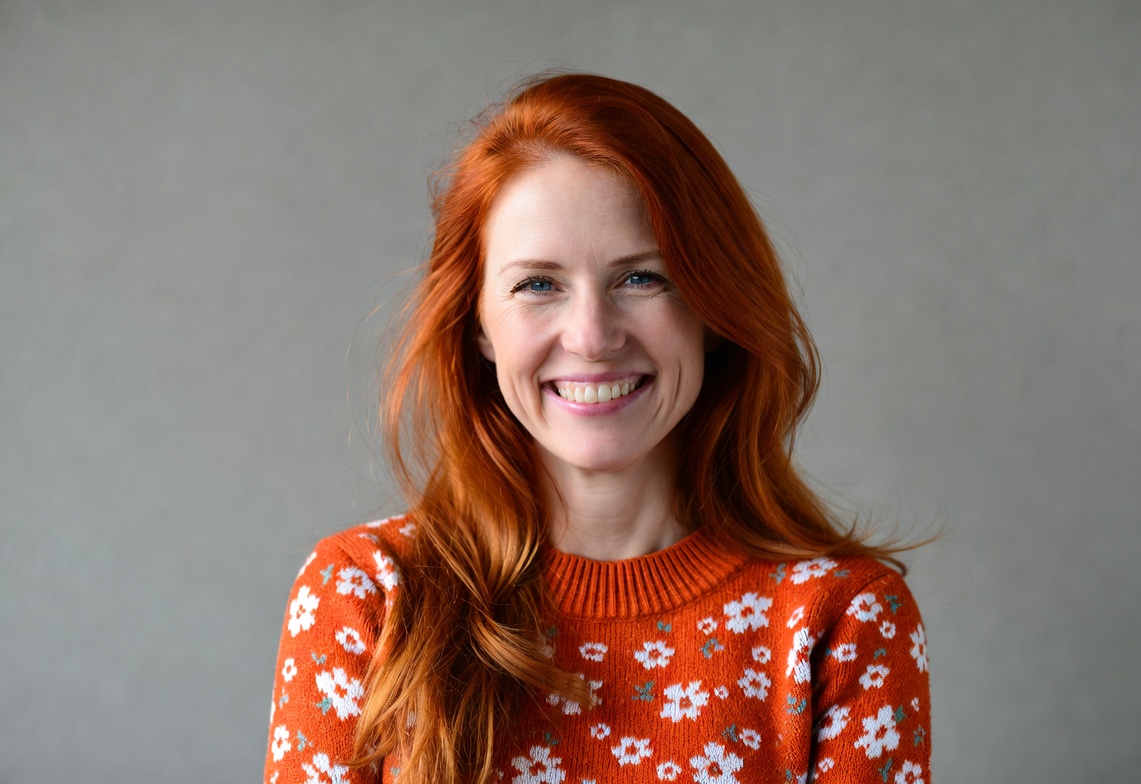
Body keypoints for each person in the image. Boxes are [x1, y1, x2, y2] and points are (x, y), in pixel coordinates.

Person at [264, 73, 930, 784]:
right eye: (537, 284)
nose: (591, 336)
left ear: (715, 312)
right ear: (477, 325)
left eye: (641, 278)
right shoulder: (366, 596)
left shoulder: (843, 620)